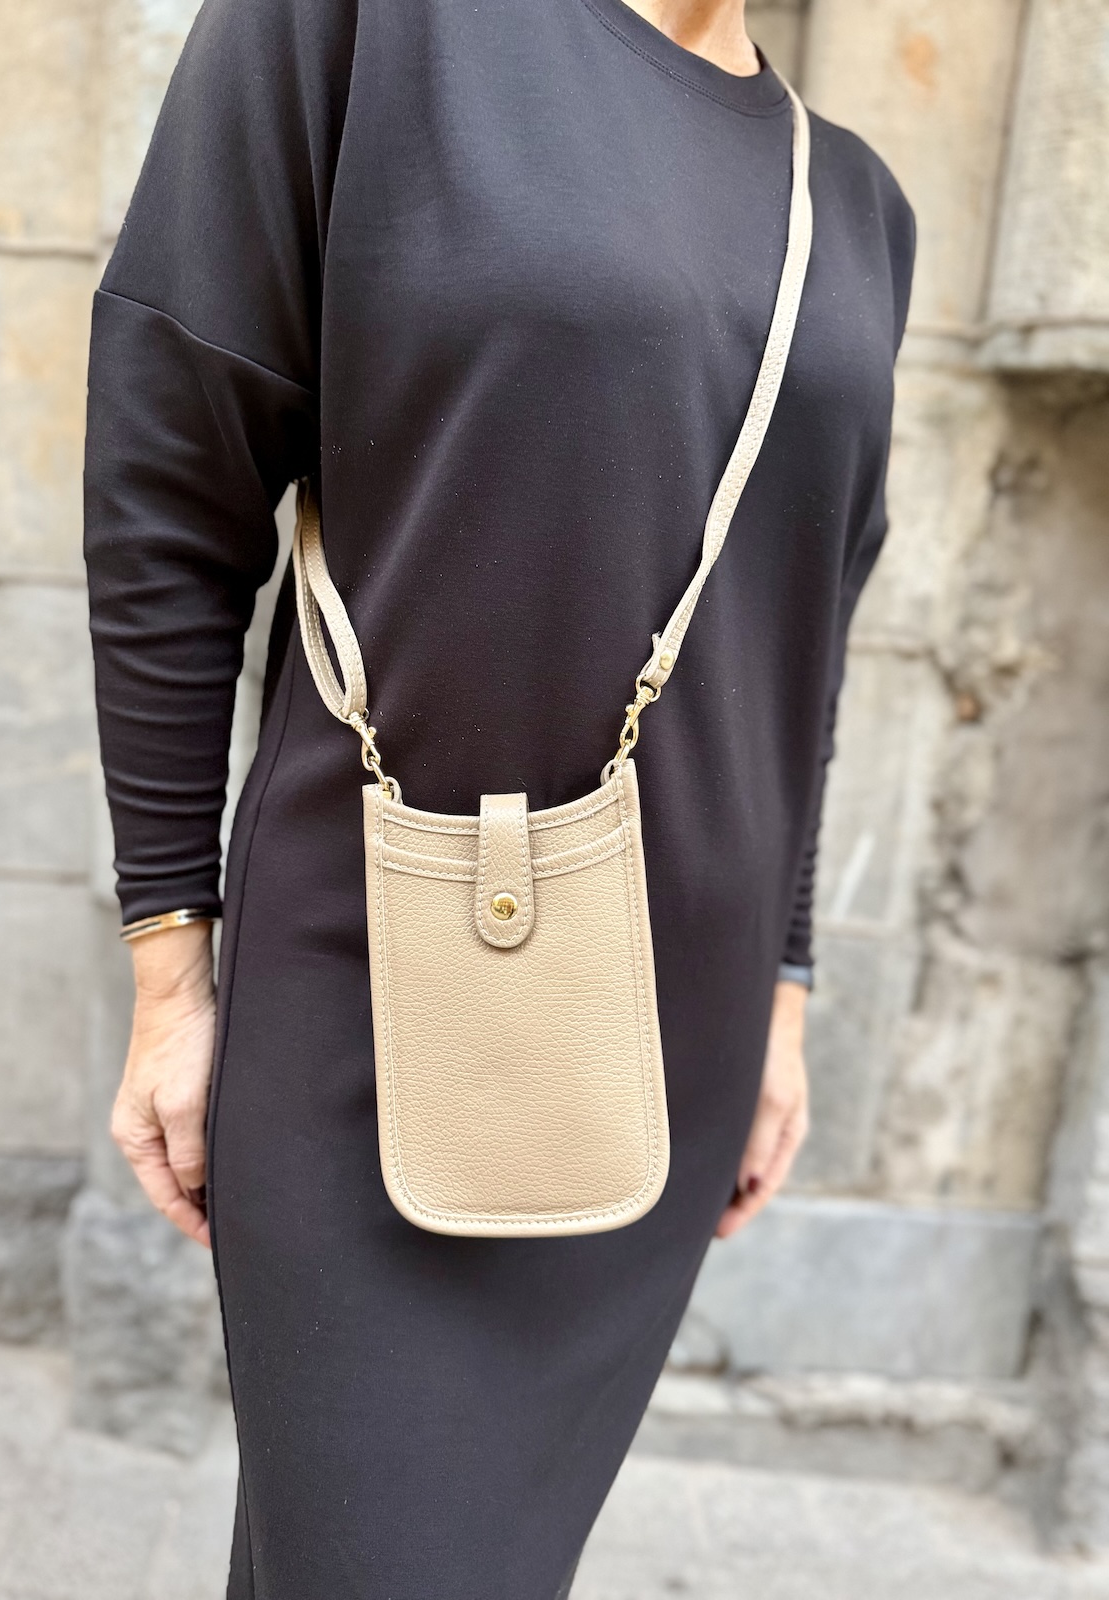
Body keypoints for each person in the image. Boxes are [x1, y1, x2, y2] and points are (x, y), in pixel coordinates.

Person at [84, 0, 914, 1594]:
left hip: (675, 1051)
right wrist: (168, 961)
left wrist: (786, 995)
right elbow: (168, 498)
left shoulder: (858, 206)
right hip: (381, 1019)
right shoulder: (371, 33)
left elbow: (802, 651)